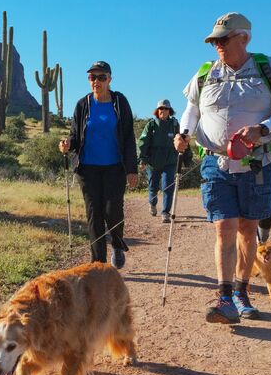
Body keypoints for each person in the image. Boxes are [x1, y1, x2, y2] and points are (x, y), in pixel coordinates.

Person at [174, 13, 271, 323]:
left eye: (223, 39)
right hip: (215, 162)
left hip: (257, 163)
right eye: (214, 41)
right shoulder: (205, 73)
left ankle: (242, 292)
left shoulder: (270, 68)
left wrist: (263, 127)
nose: (217, 45)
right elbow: (191, 110)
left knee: (248, 229)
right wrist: (184, 134)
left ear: (243, 38)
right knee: (224, 227)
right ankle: (224, 297)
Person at [58, 61, 139, 267]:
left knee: (113, 211)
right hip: (88, 168)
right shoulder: (82, 104)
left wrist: (132, 170)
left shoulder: (119, 102)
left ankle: (118, 245)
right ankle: (98, 264)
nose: (96, 81)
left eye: (101, 77)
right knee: (94, 214)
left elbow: (129, 137)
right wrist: (67, 144)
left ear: (109, 79)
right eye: (92, 77)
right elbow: (76, 137)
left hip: (114, 167)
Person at [138, 99, 181, 223]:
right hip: (153, 162)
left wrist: (186, 158)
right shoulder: (151, 125)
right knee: (153, 187)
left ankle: (166, 213)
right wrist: (142, 159)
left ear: (170, 111)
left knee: (168, 186)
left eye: (166, 108)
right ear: (157, 111)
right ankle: (152, 204)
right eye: (161, 108)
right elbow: (143, 142)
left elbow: (181, 141)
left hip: (170, 161)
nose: (163, 110)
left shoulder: (174, 124)